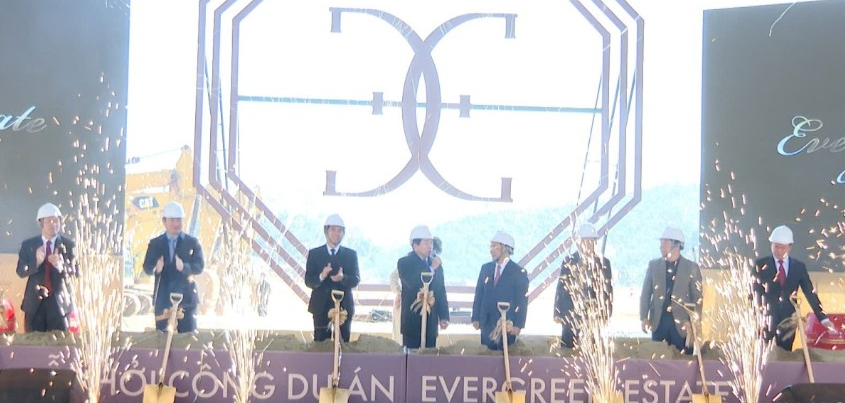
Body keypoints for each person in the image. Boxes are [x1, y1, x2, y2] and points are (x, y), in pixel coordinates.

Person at [753, 225, 836, 351]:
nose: (779, 251)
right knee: (763, 355)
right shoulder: (760, 265)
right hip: (765, 319)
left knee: (785, 355)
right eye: (776, 246)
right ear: (771, 245)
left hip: (788, 321)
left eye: (783, 248)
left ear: (790, 247)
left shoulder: (798, 267)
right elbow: (753, 293)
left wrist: (823, 318)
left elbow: (810, 293)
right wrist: (756, 316)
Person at [142, 201, 205, 333]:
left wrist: (184, 267)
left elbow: (199, 266)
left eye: (179, 220)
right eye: (172, 220)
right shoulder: (155, 244)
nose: (176, 224)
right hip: (163, 298)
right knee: (162, 338)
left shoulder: (192, 242)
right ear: (164, 221)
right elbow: (147, 267)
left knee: (187, 337)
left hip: (186, 299)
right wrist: (157, 268)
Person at [16, 203, 77, 332]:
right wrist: (36, 262)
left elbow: (76, 272)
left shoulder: (69, 245)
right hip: (34, 303)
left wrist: (60, 266)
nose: (53, 224)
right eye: (49, 221)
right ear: (41, 223)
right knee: (32, 341)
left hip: (60, 303)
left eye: (56, 220)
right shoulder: (28, 244)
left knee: (60, 341)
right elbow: (21, 271)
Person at [640, 227, 702, 354]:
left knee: (682, 361)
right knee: (658, 359)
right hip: (658, 323)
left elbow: (697, 298)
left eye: (666, 242)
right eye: (661, 242)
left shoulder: (691, 268)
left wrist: (694, 322)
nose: (661, 245)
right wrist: (644, 317)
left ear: (677, 245)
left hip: (682, 325)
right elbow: (645, 293)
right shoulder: (654, 265)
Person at [554, 223, 613, 348]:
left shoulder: (604, 263)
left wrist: (606, 314)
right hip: (570, 316)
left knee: (592, 349)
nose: (586, 244)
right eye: (584, 241)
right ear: (578, 242)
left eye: (589, 241)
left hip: (593, 317)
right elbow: (560, 288)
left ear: (594, 242)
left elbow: (608, 292)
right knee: (567, 349)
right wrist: (557, 313)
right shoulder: (569, 261)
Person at [305, 214, 360, 342]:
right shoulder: (315, 254)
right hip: (320, 307)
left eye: (340, 230)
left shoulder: (351, 254)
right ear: (326, 231)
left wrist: (343, 278)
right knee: (320, 346)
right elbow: (309, 281)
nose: (336, 233)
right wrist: (322, 276)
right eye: (333, 230)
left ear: (343, 233)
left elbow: (355, 279)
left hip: (344, 308)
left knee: (343, 345)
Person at [471, 231, 529, 350]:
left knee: (505, 356)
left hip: (507, 324)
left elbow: (522, 300)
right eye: (491, 246)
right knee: (486, 356)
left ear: (505, 248)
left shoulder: (518, 272)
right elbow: (479, 294)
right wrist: (476, 317)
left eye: (495, 246)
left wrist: (518, 324)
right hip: (486, 323)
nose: (491, 250)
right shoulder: (486, 268)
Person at [397, 225, 449, 349]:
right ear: (415, 245)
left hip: (431, 323)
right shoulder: (404, 262)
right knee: (412, 356)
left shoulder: (435, 263)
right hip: (412, 322)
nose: (430, 246)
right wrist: (432, 269)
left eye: (431, 242)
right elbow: (413, 282)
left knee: (429, 357)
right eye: (426, 243)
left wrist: (444, 316)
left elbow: (440, 291)